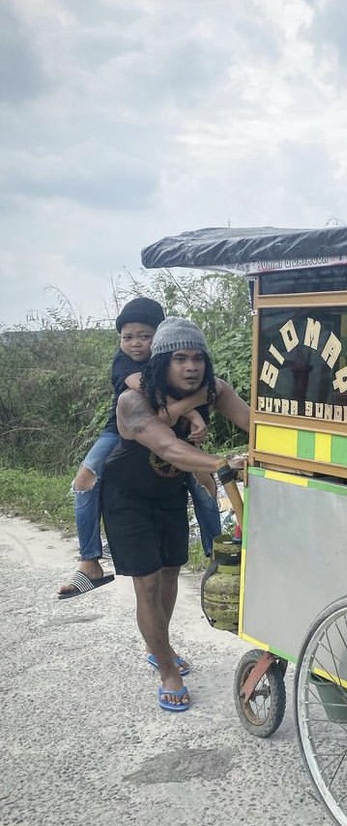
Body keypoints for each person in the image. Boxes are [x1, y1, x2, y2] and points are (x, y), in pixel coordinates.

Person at [100, 317, 250, 712]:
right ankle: (167, 669)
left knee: (169, 576)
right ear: (161, 362)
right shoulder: (133, 401)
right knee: (147, 585)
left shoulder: (212, 390)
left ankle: (158, 645)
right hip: (126, 497)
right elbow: (170, 449)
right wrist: (225, 462)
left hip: (168, 494)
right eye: (180, 358)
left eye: (198, 358)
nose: (191, 367)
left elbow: (257, 424)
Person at [58, 298, 221, 598]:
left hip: (171, 435)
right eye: (127, 337)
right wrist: (193, 410)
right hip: (121, 433)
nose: (135, 344)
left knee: (204, 482)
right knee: (85, 480)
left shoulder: (176, 356)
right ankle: (89, 560)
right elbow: (149, 389)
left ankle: (217, 550)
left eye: (144, 336)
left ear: (159, 337)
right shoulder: (125, 363)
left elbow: (210, 388)